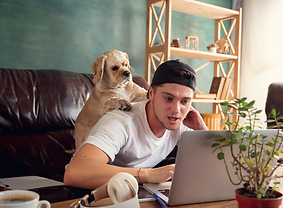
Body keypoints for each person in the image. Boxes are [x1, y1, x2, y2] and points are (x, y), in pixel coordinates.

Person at [64, 60, 208, 189]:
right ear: (151, 93)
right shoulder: (121, 121)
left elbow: (222, 163)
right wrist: (147, 174)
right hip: (100, 188)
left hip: (139, 187)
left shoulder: (179, 120)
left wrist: (202, 129)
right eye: (168, 98)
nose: (176, 110)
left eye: (184, 101)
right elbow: (74, 172)